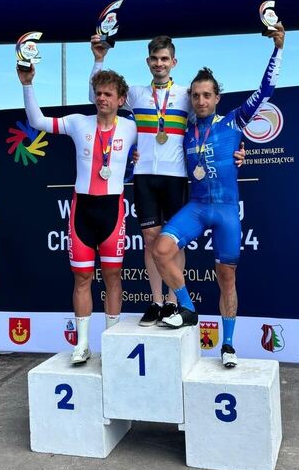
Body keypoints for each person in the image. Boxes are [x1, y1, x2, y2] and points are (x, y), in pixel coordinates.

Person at [153, 23, 285, 368]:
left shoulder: (234, 122)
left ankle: (227, 344)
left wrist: (278, 49)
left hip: (225, 210)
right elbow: (154, 143)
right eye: (195, 95)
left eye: (206, 95)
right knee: (161, 250)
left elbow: (266, 90)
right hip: (197, 207)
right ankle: (188, 308)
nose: (200, 100)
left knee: (227, 278)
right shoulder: (182, 130)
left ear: (216, 98)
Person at [89, 35, 245, 327]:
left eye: (164, 59)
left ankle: (174, 303)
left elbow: (214, 122)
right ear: (148, 62)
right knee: (151, 240)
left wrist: (235, 150)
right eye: (154, 59)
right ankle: (157, 302)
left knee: (174, 243)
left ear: (173, 62)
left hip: (175, 176)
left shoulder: (187, 94)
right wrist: (99, 60)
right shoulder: (136, 94)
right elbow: (95, 97)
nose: (159, 64)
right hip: (145, 176)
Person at [17, 63, 137, 364]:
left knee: (112, 277)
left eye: (108, 94)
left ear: (121, 99)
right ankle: (82, 344)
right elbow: (37, 121)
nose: (102, 98)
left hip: (113, 210)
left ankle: (110, 344)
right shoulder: (78, 123)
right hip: (82, 210)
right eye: (98, 93)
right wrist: (27, 84)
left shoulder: (131, 127)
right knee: (82, 278)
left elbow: (166, 146)